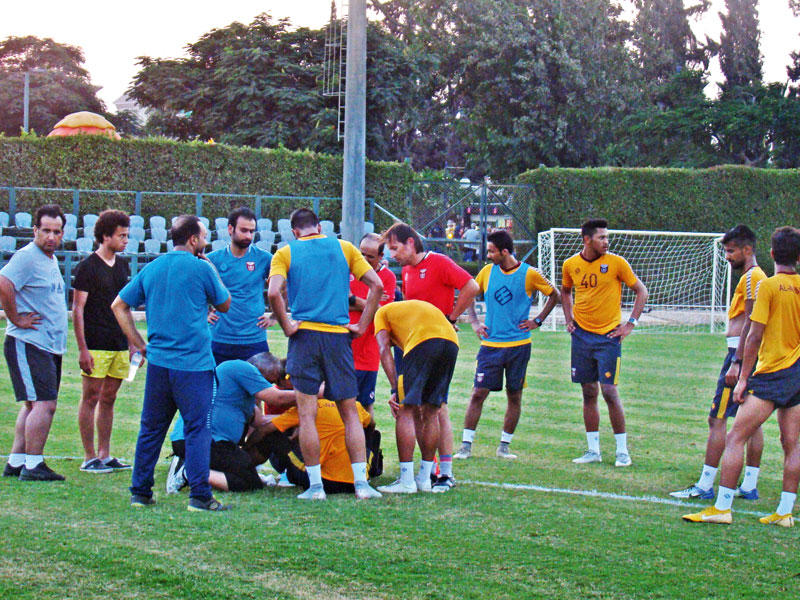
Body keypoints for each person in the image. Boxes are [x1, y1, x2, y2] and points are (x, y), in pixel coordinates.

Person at [112, 215, 232, 512]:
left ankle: (140, 493)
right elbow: (225, 303)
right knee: (197, 430)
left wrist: (139, 343)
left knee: (151, 429)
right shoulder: (202, 267)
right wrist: (211, 268)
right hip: (193, 366)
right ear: (193, 240)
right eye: (203, 237)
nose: (205, 242)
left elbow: (119, 305)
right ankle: (200, 497)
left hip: (159, 365)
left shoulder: (153, 267)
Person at [683, 227, 800, 527]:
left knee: (735, 437)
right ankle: (785, 512)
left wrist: (744, 377)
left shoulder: (769, 287)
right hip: (796, 376)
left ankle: (722, 508)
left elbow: (754, 335)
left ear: (772, 254)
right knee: (792, 444)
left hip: (770, 375)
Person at [267, 207, 384, 500]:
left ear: (295, 231)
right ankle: (361, 485)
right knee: (350, 413)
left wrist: (287, 326)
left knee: (307, 415)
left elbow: (273, 293)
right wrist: (362, 325)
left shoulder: (285, 252)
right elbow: (377, 285)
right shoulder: (344, 248)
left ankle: (316, 487)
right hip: (338, 337)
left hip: (305, 337)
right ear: (319, 227)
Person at [670, 225, 766, 500]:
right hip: (749, 356)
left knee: (717, 419)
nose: (727, 256)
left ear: (748, 249)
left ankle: (705, 484)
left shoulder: (752, 278)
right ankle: (748, 486)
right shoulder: (756, 276)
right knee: (752, 423)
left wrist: (737, 362)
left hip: (740, 356)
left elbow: (750, 322)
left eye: (731, 251)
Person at [383, 222, 480, 492]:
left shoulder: (438, 262)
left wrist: (451, 317)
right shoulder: (406, 270)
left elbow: (471, 286)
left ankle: (445, 473)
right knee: (415, 408)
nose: (392, 255)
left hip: (436, 345)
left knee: (437, 408)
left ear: (410, 243)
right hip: (412, 346)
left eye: (394, 248)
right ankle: (426, 471)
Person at [456, 229, 560, 460]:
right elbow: (469, 293)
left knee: (514, 395)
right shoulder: (486, 272)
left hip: (519, 346)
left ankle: (504, 446)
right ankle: (465, 446)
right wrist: (474, 322)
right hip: (490, 346)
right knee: (478, 393)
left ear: (505, 251)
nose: (488, 256)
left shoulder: (529, 274)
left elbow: (555, 294)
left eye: (492, 251)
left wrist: (538, 320)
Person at [561, 218, 648, 467]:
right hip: (581, 337)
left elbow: (641, 291)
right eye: (601, 237)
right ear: (587, 239)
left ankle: (622, 450)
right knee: (588, 392)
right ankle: (593, 450)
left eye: (607, 237)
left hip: (609, 337)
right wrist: (568, 318)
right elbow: (565, 292)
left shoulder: (617, 263)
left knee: (609, 391)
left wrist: (630, 323)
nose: (606, 242)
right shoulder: (570, 265)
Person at [0, 205, 67, 481]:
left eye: (57, 231)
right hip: (29, 342)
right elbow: (4, 283)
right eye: (46, 231)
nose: (51, 237)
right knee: (44, 404)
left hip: (49, 344)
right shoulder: (27, 256)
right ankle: (34, 464)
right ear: (35, 230)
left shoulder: (48, 259)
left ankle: (16, 462)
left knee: (32, 405)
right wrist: (15, 317)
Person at [166, 352, 296, 494]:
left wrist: (292, 417)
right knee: (249, 482)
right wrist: (313, 394)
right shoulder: (240, 367)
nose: (269, 385)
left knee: (265, 445)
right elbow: (277, 398)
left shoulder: (241, 394)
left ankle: (197, 466)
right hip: (201, 440)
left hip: (213, 442)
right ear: (259, 369)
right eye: (271, 381)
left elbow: (260, 422)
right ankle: (189, 472)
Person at [373, 300, 460, 494]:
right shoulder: (406, 313)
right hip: (451, 342)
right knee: (431, 411)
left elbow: (383, 349)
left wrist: (395, 388)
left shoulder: (381, 314)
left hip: (423, 341)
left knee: (405, 410)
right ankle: (424, 479)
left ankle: (406, 480)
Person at [72, 209, 133, 474]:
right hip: (95, 344)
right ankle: (89, 457)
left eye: (127, 235)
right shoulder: (87, 267)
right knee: (91, 398)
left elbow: (125, 307)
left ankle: (105, 455)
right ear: (105, 236)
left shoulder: (122, 265)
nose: (126, 240)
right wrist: (83, 349)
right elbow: (77, 309)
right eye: (121, 235)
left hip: (119, 344)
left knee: (109, 398)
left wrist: (131, 341)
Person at [247, 394, 378, 495]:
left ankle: (245, 467)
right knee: (374, 434)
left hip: (325, 481)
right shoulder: (354, 407)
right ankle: (367, 470)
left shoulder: (306, 408)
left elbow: (264, 429)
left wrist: (245, 448)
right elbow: (371, 424)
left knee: (273, 435)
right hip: (356, 481)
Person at [207, 207, 273, 364]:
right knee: (216, 386)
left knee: (258, 387)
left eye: (252, 231)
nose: (248, 236)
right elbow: (194, 290)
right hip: (219, 338)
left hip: (254, 339)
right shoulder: (213, 260)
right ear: (230, 229)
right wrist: (204, 312)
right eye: (244, 230)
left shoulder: (264, 259)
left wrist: (275, 315)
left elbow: (283, 286)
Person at [349, 232, 396, 417]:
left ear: (381, 257)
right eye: (362, 254)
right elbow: (338, 301)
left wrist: (353, 299)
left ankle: (368, 445)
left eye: (371, 256)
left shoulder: (388, 278)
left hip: (368, 349)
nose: (365, 260)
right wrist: (370, 301)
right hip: (344, 346)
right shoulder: (347, 271)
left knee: (366, 404)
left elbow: (384, 313)